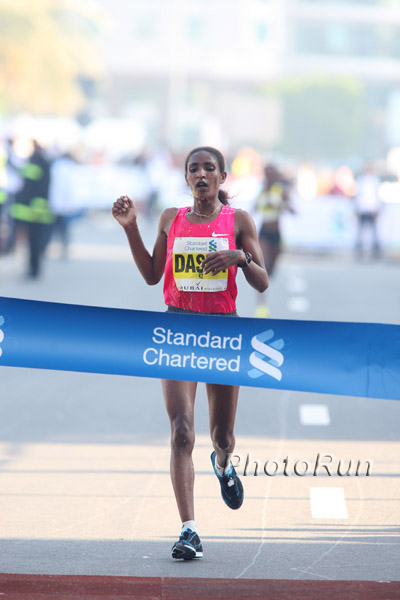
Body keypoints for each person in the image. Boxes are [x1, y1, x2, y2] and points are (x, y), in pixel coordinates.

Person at [112, 146, 268, 560]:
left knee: (222, 435)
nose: (201, 174)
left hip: (222, 334)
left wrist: (240, 257)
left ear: (222, 176)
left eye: (209, 168)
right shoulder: (171, 219)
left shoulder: (240, 221)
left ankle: (222, 463)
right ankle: (189, 530)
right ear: (185, 179)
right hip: (177, 329)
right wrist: (130, 227)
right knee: (182, 431)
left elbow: (263, 282)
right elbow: (151, 275)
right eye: (193, 169)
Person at [253, 164, 294, 317]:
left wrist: (284, 205)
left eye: (271, 174)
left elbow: (293, 210)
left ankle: (265, 278)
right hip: (264, 232)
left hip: (277, 233)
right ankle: (261, 306)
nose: (269, 177)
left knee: (271, 270)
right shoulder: (262, 191)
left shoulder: (280, 191)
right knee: (262, 267)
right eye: (266, 174)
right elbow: (254, 208)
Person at [353, 163, 382, 259]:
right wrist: (357, 208)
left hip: (372, 209)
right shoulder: (361, 180)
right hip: (363, 209)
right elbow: (358, 196)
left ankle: (375, 251)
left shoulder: (375, 181)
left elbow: (377, 196)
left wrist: (377, 208)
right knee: (360, 231)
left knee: (374, 232)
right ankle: (359, 250)